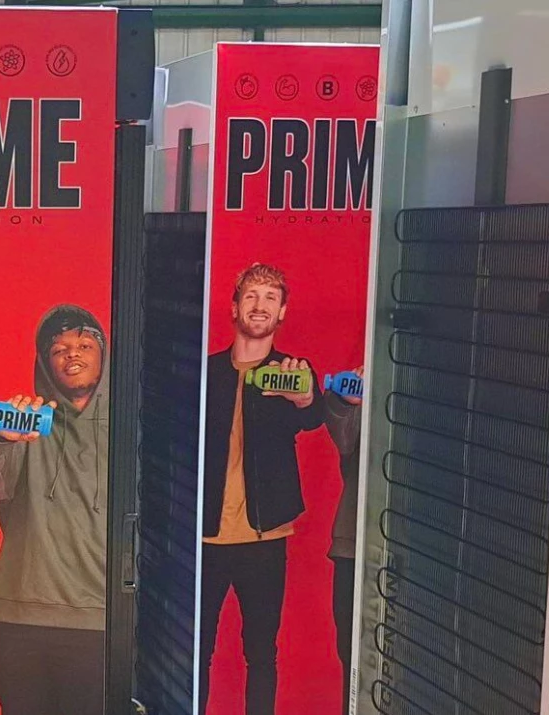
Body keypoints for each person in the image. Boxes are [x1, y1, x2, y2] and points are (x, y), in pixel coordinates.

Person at [0, 305, 110, 715]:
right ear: (45, 363)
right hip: (22, 617)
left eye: (85, 344)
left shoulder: (130, 428)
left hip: (99, 620)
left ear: (104, 357)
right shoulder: (25, 425)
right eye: (60, 348)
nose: (73, 354)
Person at [201, 263, 324, 715]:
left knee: (261, 653)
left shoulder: (294, 371)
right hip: (204, 537)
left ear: (283, 312)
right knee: (196, 648)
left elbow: (313, 415)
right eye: (251, 296)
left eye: (270, 298)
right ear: (234, 307)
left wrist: (303, 396)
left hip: (264, 536)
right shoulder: (206, 371)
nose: (259, 305)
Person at [324, 365, 363, 714]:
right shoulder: (367, 394)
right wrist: (345, 400)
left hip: (412, 556)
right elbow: (341, 429)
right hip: (355, 550)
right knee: (351, 654)